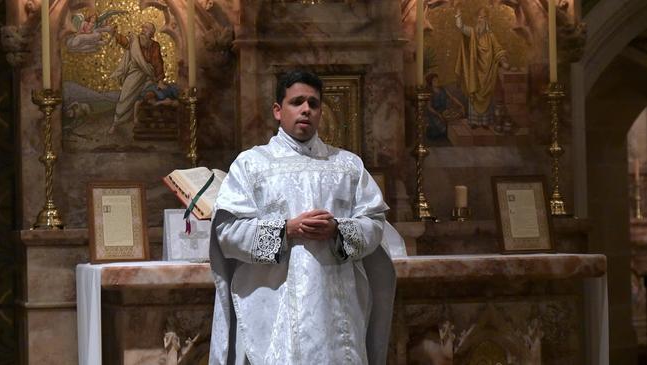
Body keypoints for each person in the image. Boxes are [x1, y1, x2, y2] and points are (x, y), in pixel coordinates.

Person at [208, 70, 399, 364]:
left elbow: (374, 224)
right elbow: (229, 234)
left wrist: (338, 229)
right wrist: (286, 230)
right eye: (297, 101)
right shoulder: (251, 165)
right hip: (275, 312)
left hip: (337, 314)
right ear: (277, 110)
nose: (306, 109)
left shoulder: (348, 166)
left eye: (313, 103)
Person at [454, 7, 510, 129]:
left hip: (488, 74)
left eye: (484, 17)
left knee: (487, 96)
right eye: (479, 17)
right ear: (476, 19)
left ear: (487, 20)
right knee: (474, 93)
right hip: (474, 73)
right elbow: (461, 27)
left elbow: (498, 49)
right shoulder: (472, 32)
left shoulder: (491, 36)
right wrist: (458, 15)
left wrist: (503, 60)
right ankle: (474, 122)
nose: (481, 20)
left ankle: (484, 122)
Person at [109, 22, 166, 134]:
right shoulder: (135, 40)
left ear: (152, 33)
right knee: (125, 96)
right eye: (143, 27)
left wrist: (160, 80)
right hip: (135, 73)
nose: (143, 29)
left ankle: (135, 122)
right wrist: (116, 34)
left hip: (148, 75)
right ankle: (116, 123)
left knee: (144, 97)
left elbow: (157, 62)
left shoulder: (154, 46)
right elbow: (125, 42)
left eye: (146, 28)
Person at [424, 73, 465, 140]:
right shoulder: (429, 92)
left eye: (437, 79)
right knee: (442, 131)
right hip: (435, 114)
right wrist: (438, 115)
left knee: (456, 126)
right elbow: (429, 107)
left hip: (444, 112)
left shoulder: (442, 89)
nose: (437, 81)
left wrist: (461, 105)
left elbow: (452, 97)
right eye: (434, 80)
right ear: (430, 82)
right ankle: (432, 130)